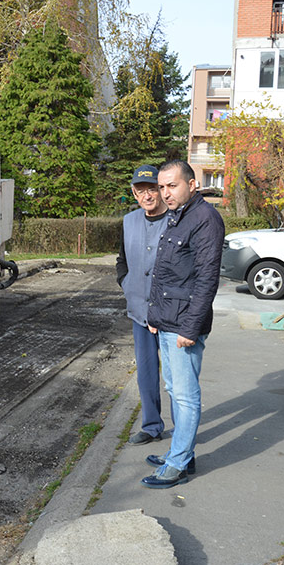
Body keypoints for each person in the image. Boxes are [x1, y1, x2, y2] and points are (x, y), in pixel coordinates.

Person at [141, 160, 225, 489]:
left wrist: (190, 328)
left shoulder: (205, 219)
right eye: (162, 187)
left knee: (187, 397)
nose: (165, 193)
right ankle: (182, 453)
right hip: (167, 320)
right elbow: (167, 273)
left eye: (171, 186)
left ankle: (177, 464)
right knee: (175, 390)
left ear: (192, 184)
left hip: (184, 325)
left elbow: (206, 280)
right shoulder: (179, 216)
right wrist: (154, 317)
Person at [115, 164, 169, 446]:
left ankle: (184, 431)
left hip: (171, 312)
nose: (147, 195)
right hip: (139, 310)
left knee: (176, 378)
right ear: (134, 193)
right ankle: (151, 425)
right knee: (146, 370)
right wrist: (126, 283)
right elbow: (122, 259)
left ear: (160, 190)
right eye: (141, 190)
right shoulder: (129, 221)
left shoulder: (176, 219)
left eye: (152, 189)